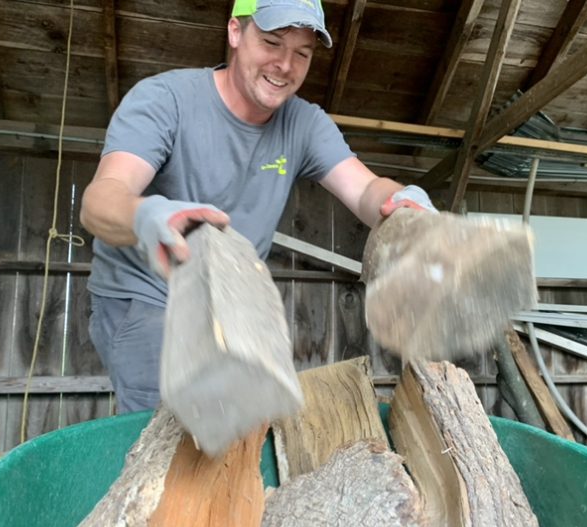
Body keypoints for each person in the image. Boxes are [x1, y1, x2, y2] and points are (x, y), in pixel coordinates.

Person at [80, 0, 437, 414]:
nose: (285, 65)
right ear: (235, 32)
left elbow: (365, 191)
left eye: (302, 53)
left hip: (232, 303)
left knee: (247, 424)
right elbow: (101, 198)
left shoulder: (304, 123)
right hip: (151, 297)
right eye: (271, 42)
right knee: (175, 428)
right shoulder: (164, 100)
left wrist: (402, 203)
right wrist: (145, 216)